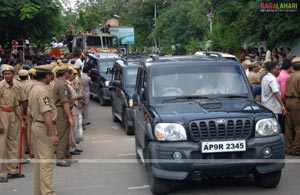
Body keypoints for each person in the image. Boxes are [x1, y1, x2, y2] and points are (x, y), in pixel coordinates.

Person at [28, 64, 58, 195]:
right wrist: (53, 134)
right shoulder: (43, 91)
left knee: (39, 163)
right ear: (47, 76)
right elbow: (46, 114)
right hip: (44, 126)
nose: (52, 77)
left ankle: (39, 191)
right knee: (46, 163)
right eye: (51, 74)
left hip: (36, 125)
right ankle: (48, 192)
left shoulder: (34, 88)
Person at [0, 65, 25, 183]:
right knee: (1, 146)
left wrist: (21, 120)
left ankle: (12, 171)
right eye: (5, 74)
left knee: (13, 143)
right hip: (2, 114)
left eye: (9, 73)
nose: (7, 76)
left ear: (13, 74)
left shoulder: (15, 86)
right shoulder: (0, 86)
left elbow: (16, 105)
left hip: (13, 115)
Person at [52, 64, 74, 167]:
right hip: (61, 112)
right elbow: (65, 102)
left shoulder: (58, 83)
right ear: (66, 74)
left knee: (64, 134)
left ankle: (65, 155)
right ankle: (60, 158)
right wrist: (70, 117)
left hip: (61, 110)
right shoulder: (62, 85)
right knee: (62, 134)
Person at [285, 57, 300, 155]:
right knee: (298, 127)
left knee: (289, 126)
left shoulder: (290, 76)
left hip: (288, 101)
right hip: (296, 102)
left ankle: (288, 148)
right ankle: (296, 149)